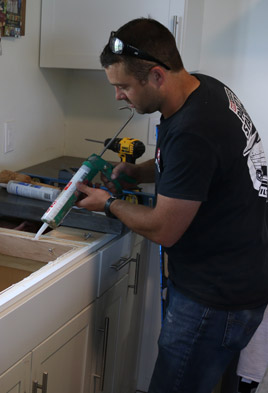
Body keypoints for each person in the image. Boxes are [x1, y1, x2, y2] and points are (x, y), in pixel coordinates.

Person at [74, 17, 268, 393]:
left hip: (215, 298)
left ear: (157, 76)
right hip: (240, 279)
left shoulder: (196, 128)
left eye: (124, 86)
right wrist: (138, 171)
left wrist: (108, 203)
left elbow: (165, 228)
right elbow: (193, 166)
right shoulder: (203, 88)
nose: (118, 96)